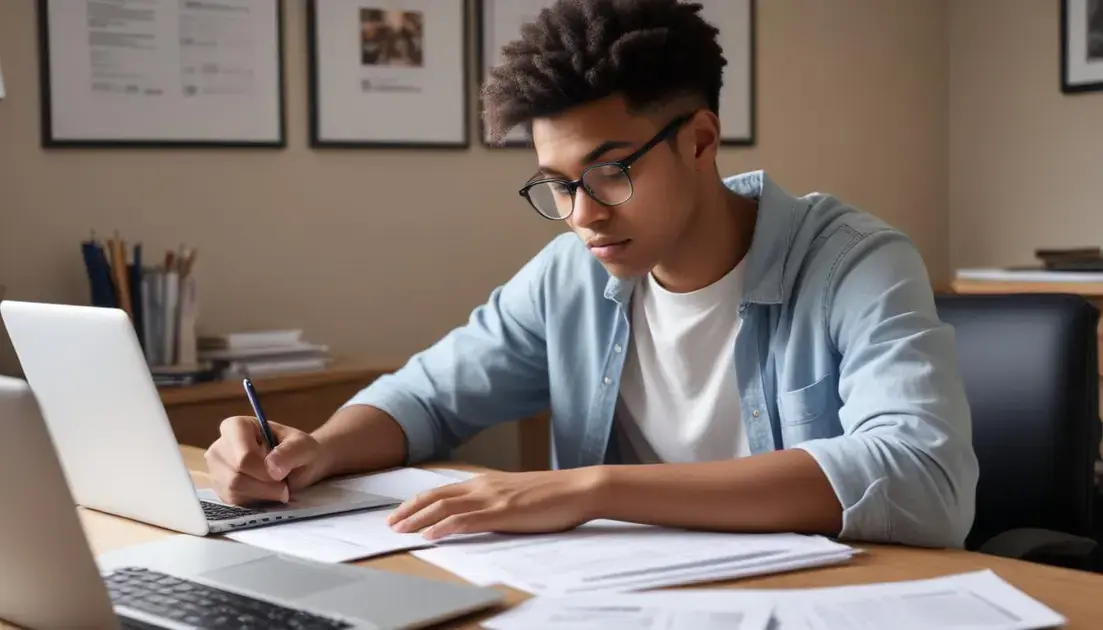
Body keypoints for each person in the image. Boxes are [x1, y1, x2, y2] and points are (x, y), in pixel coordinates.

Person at [205, 0, 978, 548]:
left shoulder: (853, 262)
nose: (581, 215)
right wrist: (315, 450)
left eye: (610, 173)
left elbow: (923, 479)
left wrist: (593, 489)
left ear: (700, 141)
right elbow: (426, 397)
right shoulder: (569, 275)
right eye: (557, 184)